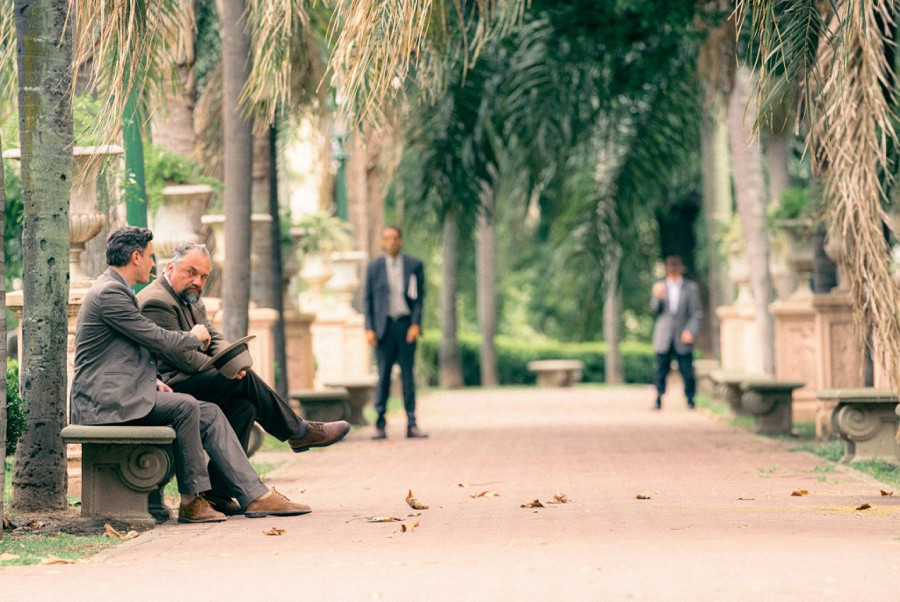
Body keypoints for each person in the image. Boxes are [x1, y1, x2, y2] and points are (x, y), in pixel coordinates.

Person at [70, 226, 311, 523]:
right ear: (135, 257)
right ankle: (191, 501)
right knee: (186, 407)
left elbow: (123, 354)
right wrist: (194, 337)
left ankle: (254, 495)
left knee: (207, 411)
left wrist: (154, 381)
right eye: (150, 257)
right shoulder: (110, 293)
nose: (152, 264)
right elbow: (156, 338)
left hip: (121, 394)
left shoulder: (118, 290)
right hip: (104, 402)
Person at [137, 241, 350, 514]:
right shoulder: (157, 301)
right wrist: (226, 370)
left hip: (194, 378)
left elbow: (214, 338)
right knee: (243, 381)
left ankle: (216, 495)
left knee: (244, 406)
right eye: (191, 272)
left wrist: (231, 360)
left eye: (203, 276)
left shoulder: (189, 295)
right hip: (171, 386)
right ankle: (298, 431)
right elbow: (183, 359)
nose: (197, 281)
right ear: (170, 267)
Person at [364, 226, 426, 439]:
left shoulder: (413, 265)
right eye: (387, 238)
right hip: (383, 329)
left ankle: (411, 423)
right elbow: (368, 300)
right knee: (383, 376)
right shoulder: (374, 267)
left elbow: (418, 298)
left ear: (401, 240)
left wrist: (416, 324)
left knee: (408, 375)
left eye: (395, 238)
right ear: (382, 242)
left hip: (406, 326)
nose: (391, 242)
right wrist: (369, 328)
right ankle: (380, 423)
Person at [651, 254, 703, 410]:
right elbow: (654, 310)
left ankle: (690, 399)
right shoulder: (660, 287)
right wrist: (657, 297)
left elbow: (697, 313)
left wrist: (690, 331)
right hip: (664, 335)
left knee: (687, 370)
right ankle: (659, 398)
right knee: (661, 370)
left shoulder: (690, 288)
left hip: (683, 334)